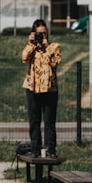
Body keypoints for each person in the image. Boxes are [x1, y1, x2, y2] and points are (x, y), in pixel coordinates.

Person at [21, 19, 61, 157]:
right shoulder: (32, 48)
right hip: (33, 88)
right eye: (39, 34)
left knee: (49, 122)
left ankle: (51, 150)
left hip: (50, 89)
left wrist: (46, 47)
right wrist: (32, 43)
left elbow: (55, 63)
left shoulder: (54, 47)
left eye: (44, 33)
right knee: (34, 121)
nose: (42, 36)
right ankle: (35, 149)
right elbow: (24, 58)